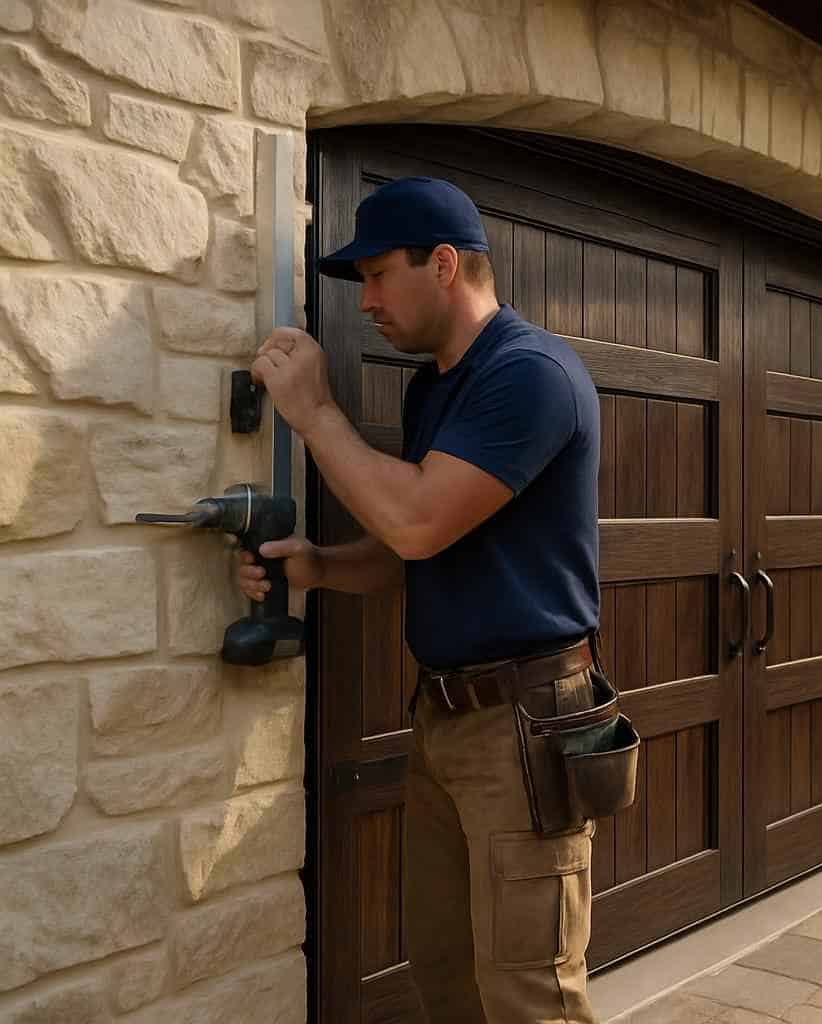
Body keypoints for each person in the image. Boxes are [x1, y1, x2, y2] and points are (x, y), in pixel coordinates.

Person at [238, 176, 603, 1023]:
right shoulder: (438, 386)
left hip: (524, 723)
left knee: (529, 994)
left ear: (443, 265)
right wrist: (322, 567)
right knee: (449, 976)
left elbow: (417, 521)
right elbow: (425, 546)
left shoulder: (530, 374)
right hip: (446, 721)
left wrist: (317, 411)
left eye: (375, 275)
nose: (364, 302)